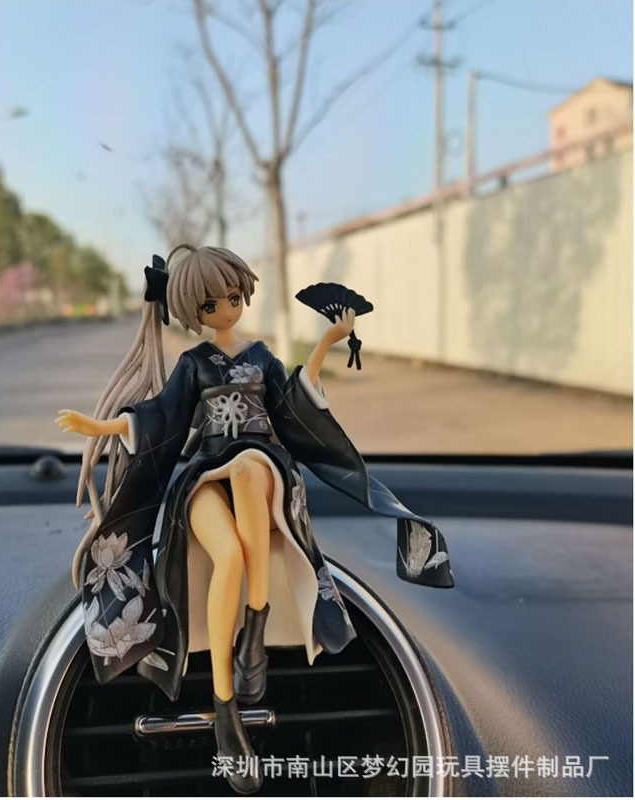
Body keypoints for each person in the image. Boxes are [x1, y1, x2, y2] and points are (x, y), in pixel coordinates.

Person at [57, 244, 452, 794]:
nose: (226, 308)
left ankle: (255, 628)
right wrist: (99, 427)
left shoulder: (263, 357)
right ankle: (225, 707)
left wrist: (326, 343)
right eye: (211, 303)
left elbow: (291, 407)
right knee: (228, 554)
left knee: (248, 467)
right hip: (204, 476)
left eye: (233, 297)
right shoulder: (193, 364)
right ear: (193, 309)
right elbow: (161, 417)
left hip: (262, 472)